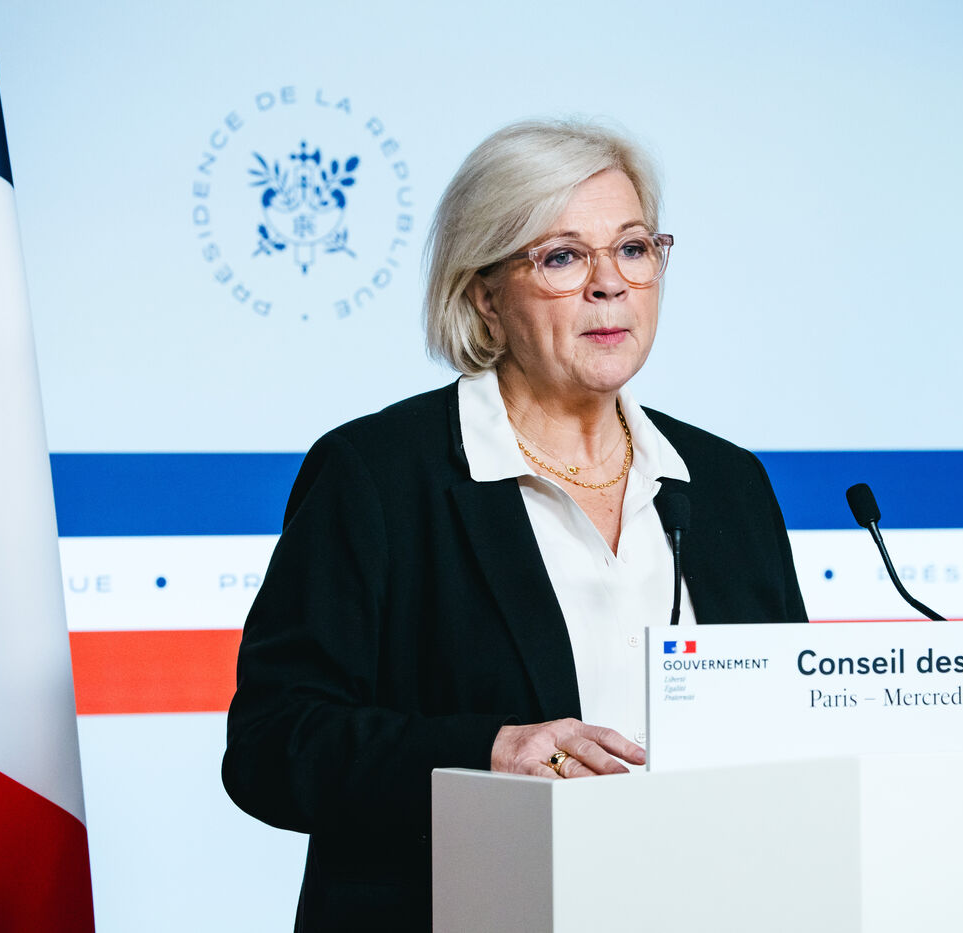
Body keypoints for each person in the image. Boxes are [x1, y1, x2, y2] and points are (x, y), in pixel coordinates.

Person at [222, 118, 808, 931]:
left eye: (633, 248)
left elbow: (789, 735)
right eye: (563, 257)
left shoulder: (726, 484)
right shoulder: (378, 476)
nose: (611, 284)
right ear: (485, 296)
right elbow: (273, 743)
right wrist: (490, 752)